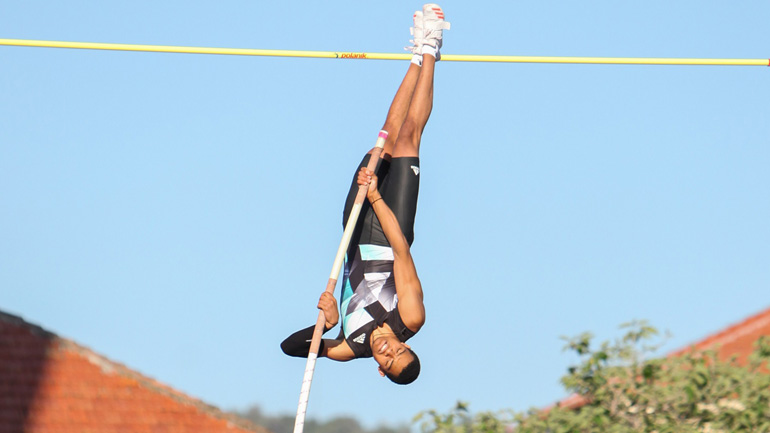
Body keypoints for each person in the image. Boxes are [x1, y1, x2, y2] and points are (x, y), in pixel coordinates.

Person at [281, 4, 449, 385]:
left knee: (386, 133)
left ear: (379, 368)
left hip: (354, 233)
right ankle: (430, 48)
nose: (388, 352)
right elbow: (402, 253)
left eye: (387, 361)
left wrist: (326, 323)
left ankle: (415, 56)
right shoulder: (410, 317)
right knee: (408, 137)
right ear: (408, 345)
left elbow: (290, 348)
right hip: (392, 228)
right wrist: (374, 196)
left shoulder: (348, 347)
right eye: (399, 352)